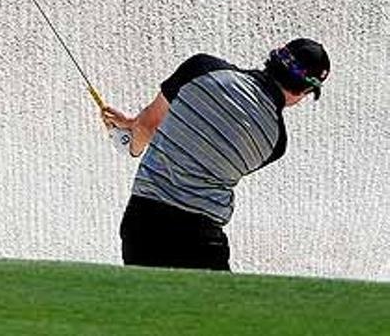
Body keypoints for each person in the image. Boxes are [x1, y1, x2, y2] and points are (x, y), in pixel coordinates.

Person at [101, 38, 330, 271]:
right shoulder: (276, 142)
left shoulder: (202, 68)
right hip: (201, 238)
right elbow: (209, 151)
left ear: (274, 58)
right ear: (304, 91)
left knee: (150, 306)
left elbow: (148, 127)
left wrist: (130, 144)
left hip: (143, 223)